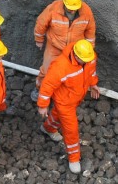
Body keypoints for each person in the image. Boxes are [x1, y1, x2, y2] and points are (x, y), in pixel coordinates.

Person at [37, 39, 100, 174]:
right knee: (71, 129)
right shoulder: (61, 66)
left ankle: (47, 128)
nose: (86, 61)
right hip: (64, 102)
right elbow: (47, 85)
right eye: (83, 60)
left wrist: (93, 84)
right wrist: (43, 105)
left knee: (56, 115)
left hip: (75, 98)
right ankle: (74, 158)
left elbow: (91, 72)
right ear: (75, 55)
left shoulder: (90, 57)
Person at [31, 0, 96, 101]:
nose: (72, 11)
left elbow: (90, 30)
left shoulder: (86, 12)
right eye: (70, 9)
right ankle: (39, 89)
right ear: (64, 3)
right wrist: (39, 40)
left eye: (74, 9)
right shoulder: (53, 9)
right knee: (47, 71)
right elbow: (41, 24)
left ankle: (60, 95)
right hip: (55, 47)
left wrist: (90, 48)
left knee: (71, 74)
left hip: (74, 50)